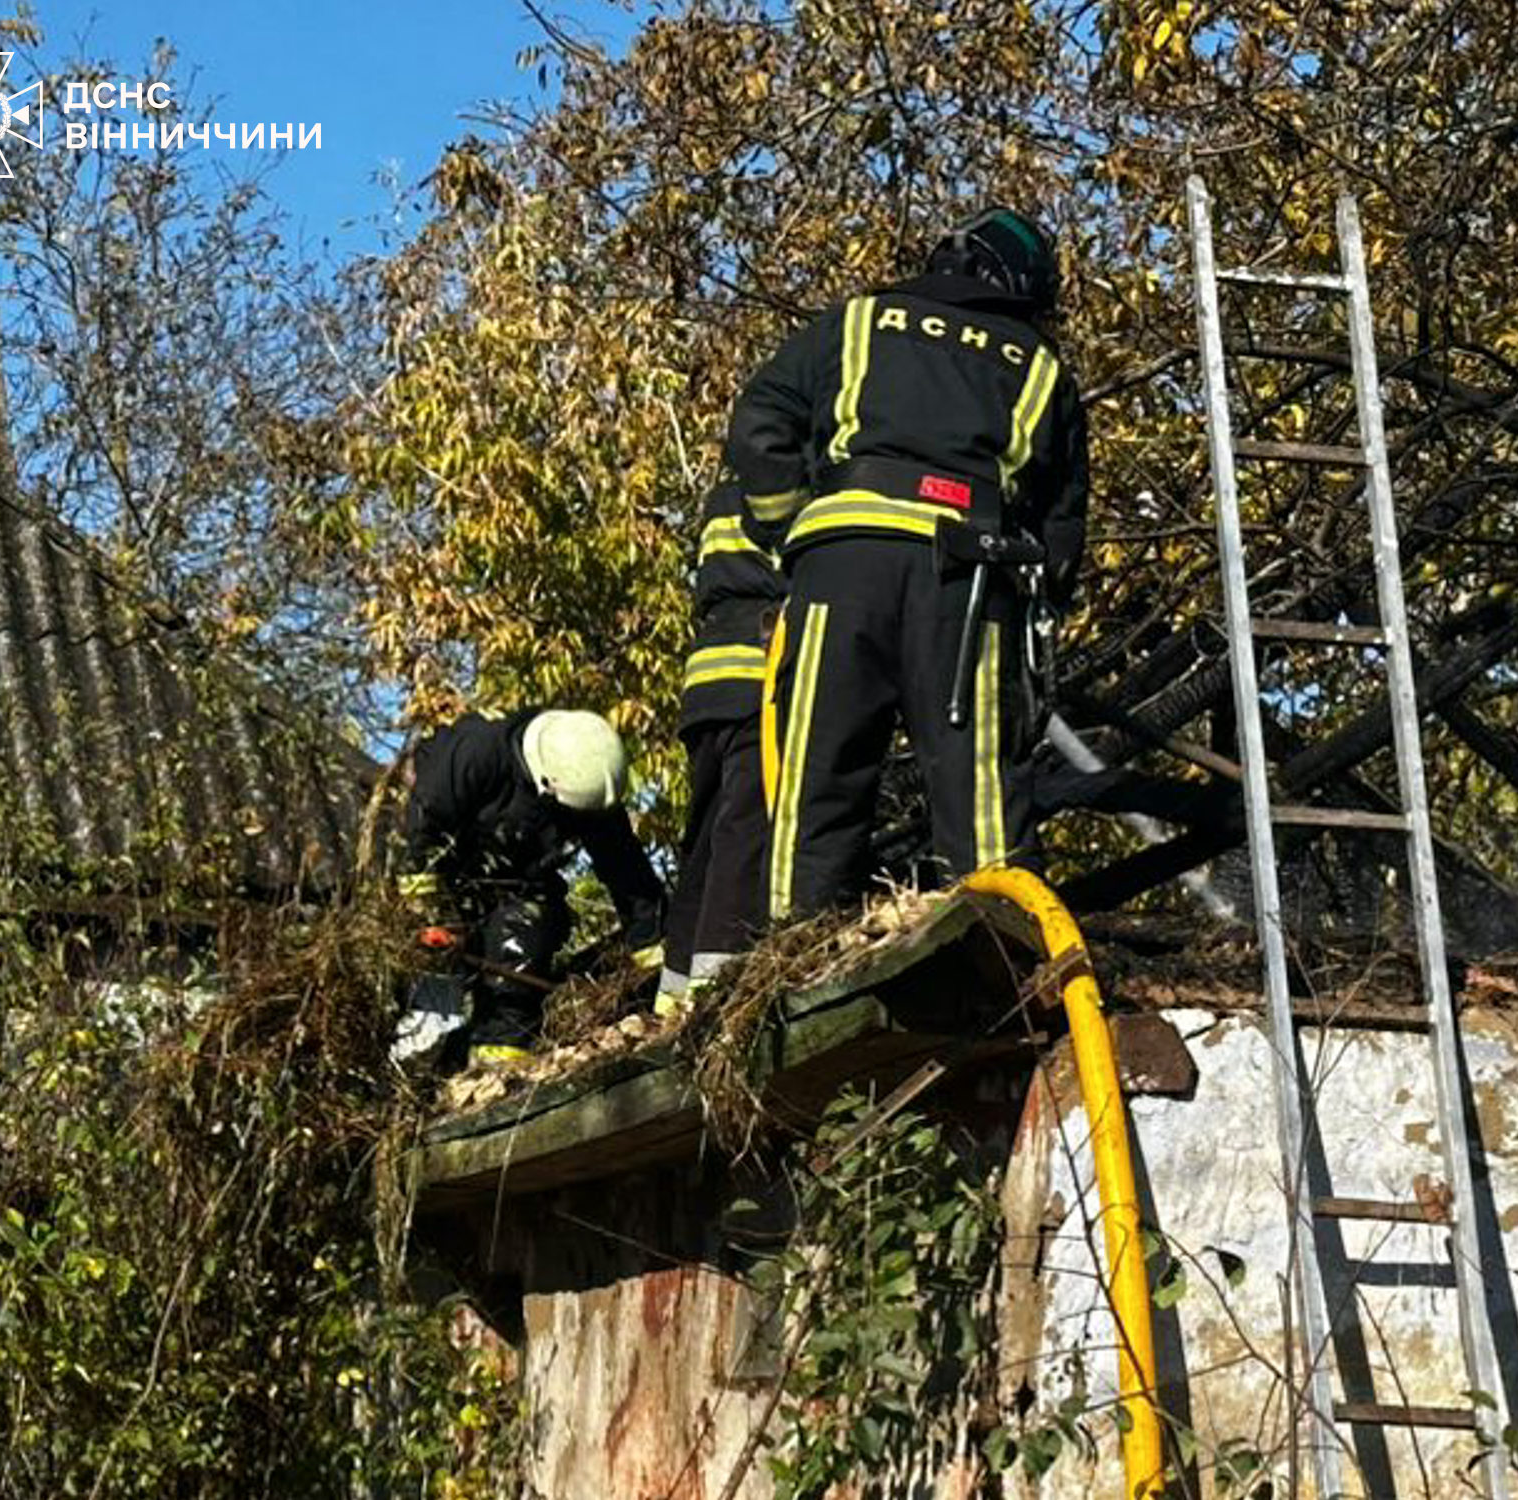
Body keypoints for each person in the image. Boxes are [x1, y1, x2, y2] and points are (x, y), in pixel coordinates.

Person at [726, 206, 1089, 921]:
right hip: (969, 579)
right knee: (980, 788)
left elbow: (760, 418)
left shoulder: (857, 321)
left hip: (841, 569)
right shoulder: (1041, 365)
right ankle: (1007, 954)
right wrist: (1038, 606)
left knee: (816, 777)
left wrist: (787, 529)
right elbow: (1062, 521)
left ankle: (793, 957)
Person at [400, 708, 665, 1066]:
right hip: (453, 876)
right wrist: (430, 918)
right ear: (545, 783)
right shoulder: (472, 757)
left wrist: (656, 953)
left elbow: (628, 874)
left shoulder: (586, 785)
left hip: (521, 883)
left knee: (520, 951)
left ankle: (500, 1063)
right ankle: (437, 1067)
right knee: (436, 997)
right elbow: (420, 843)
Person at [658, 477, 785, 1012]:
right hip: (758, 662)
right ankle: (719, 985)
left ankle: (674, 992)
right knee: (745, 829)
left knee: (705, 840)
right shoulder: (792, 480)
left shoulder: (727, 492)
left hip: (706, 676)